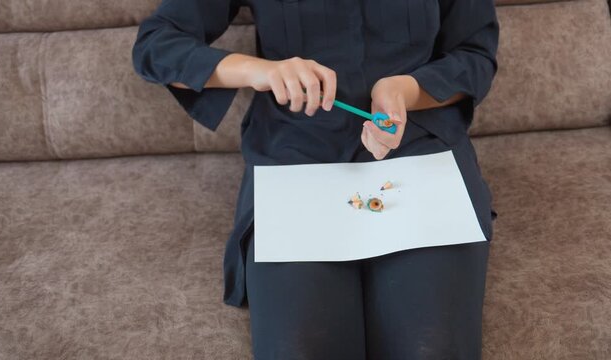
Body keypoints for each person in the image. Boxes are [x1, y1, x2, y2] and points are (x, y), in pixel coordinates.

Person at [132, 0, 500, 358]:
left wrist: (403, 91)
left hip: (419, 148)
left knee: (433, 349)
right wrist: (260, 70)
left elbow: (474, 53)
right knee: (301, 349)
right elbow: (157, 45)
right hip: (293, 159)